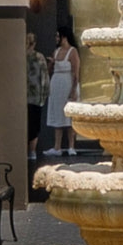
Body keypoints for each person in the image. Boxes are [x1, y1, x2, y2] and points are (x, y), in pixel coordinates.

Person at [41, 28, 78, 158]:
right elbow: (49, 71)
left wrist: (74, 90)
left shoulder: (72, 51)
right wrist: (51, 63)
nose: (57, 38)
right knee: (58, 114)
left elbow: (76, 71)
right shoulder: (56, 52)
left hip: (67, 84)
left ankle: (71, 146)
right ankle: (57, 147)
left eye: (58, 36)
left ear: (64, 37)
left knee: (69, 116)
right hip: (56, 85)